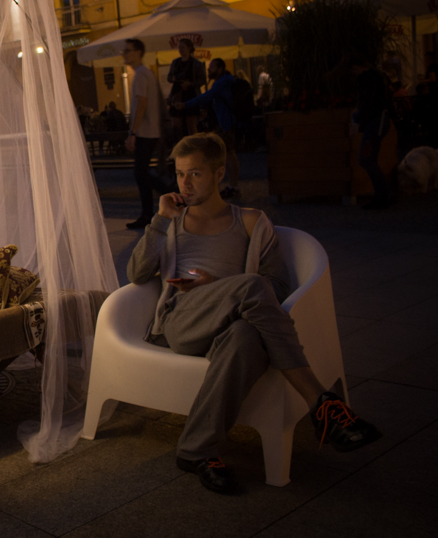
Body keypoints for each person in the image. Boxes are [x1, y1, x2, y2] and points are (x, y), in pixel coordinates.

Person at [127, 133, 381, 493]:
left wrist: (220, 285)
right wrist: (159, 221)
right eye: (180, 173)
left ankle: (195, 450)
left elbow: (276, 287)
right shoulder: (172, 222)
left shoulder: (250, 221)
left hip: (234, 323)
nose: (184, 182)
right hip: (183, 321)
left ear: (219, 175)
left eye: (195, 173)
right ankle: (321, 403)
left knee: (247, 335)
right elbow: (136, 275)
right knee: (250, 285)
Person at [124, 39, 174, 229]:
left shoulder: (141, 75)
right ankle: (151, 208)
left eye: (128, 51)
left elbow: (141, 103)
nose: (125, 54)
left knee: (140, 173)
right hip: (150, 131)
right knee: (141, 172)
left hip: (145, 132)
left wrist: (133, 133)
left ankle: (155, 204)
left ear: (138, 52)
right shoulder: (145, 74)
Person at [175, 58, 240, 198]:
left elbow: (206, 96)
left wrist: (186, 104)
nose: (209, 70)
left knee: (229, 155)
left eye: (212, 67)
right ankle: (232, 186)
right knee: (227, 155)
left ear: (220, 68)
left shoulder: (223, 82)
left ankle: (234, 186)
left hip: (226, 123)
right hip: (223, 122)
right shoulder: (222, 81)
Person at [349, 54, 393, 209]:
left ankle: (382, 196)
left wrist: (359, 120)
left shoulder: (368, 79)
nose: (354, 72)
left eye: (354, 69)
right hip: (378, 120)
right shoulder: (377, 77)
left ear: (360, 67)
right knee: (369, 158)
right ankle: (382, 195)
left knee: (366, 158)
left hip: (375, 122)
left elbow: (368, 102)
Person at [167, 39, 206, 138]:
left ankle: (195, 143)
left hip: (190, 94)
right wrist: (173, 78)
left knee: (191, 122)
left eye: (182, 47)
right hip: (177, 94)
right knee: (176, 122)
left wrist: (190, 84)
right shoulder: (175, 62)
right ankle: (180, 143)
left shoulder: (196, 63)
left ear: (189, 48)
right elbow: (169, 77)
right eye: (179, 47)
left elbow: (202, 80)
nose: (180, 50)